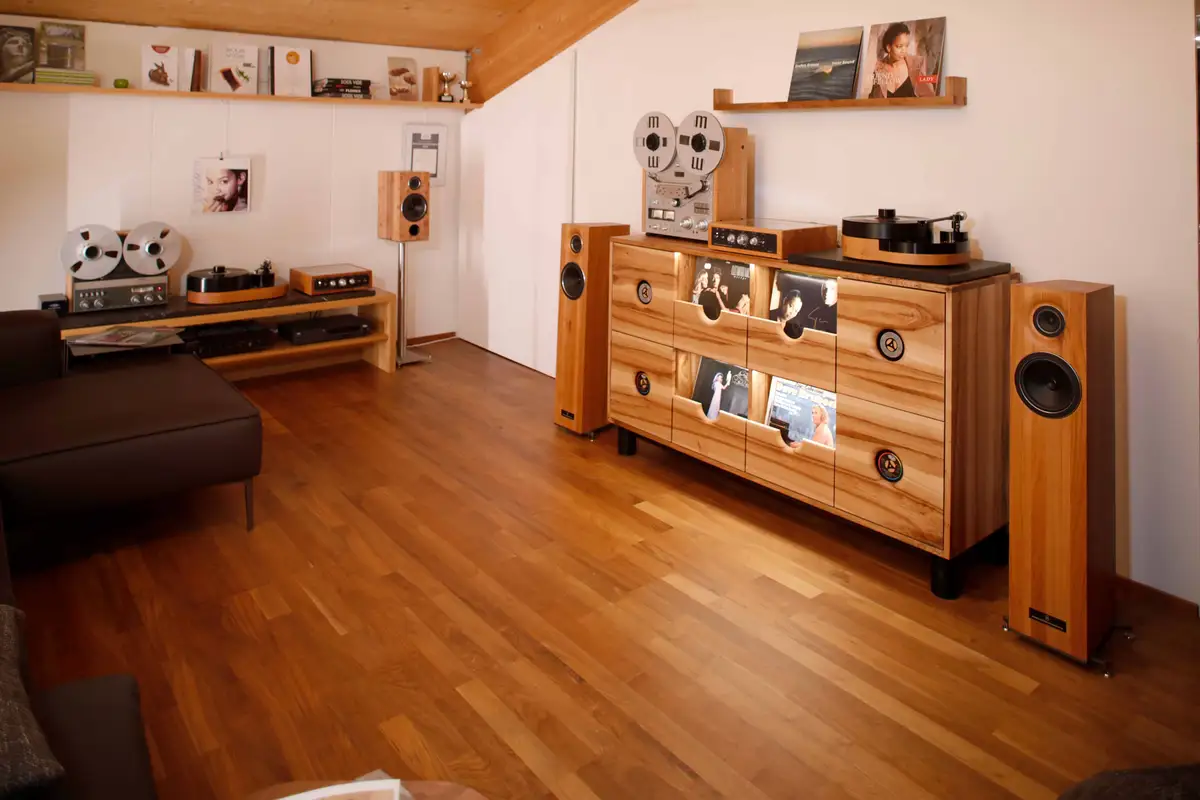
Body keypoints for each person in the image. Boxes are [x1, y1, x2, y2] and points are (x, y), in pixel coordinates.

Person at [868, 22, 935, 99]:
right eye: (899, 46)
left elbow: (930, 96)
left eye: (906, 46)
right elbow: (874, 100)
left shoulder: (918, 64)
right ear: (888, 48)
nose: (904, 50)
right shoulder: (879, 69)